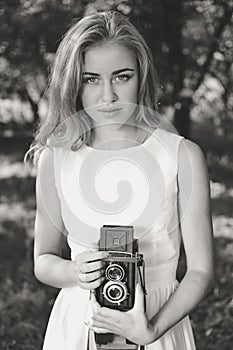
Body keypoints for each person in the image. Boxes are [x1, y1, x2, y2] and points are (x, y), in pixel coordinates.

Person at [29, 10, 214, 350]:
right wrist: (74, 272)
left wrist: (151, 330)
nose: (108, 96)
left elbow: (201, 271)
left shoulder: (182, 156)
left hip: (159, 321)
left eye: (121, 76)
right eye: (91, 79)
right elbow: (43, 259)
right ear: (73, 82)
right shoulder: (56, 157)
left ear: (141, 75)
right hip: (79, 323)